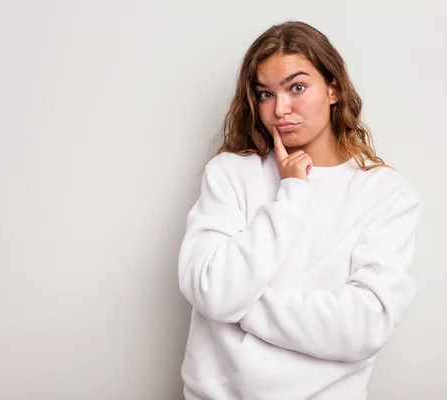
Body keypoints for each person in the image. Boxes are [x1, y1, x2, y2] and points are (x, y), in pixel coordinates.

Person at [178, 20, 422, 400]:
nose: (280, 109)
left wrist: (240, 305)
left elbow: (363, 327)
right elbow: (213, 290)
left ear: (333, 88)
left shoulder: (386, 193)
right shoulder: (230, 173)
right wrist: (291, 193)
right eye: (264, 94)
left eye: (297, 87)